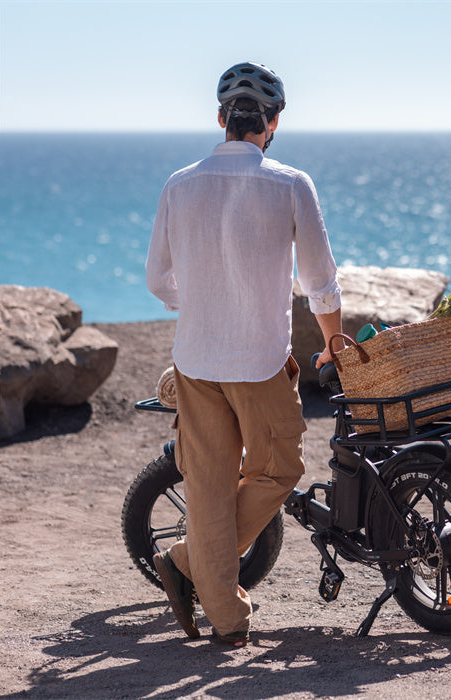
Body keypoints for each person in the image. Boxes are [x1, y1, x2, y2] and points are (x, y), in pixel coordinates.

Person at [145, 61, 343, 647]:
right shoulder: (290, 184)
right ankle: (194, 572)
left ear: (220, 120)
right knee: (279, 468)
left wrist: (206, 301)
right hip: (260, 361)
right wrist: (334, 343)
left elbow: (159, 281)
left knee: (206, 485)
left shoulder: (179, 184)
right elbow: (321, 284)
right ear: (273, 123)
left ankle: (212, 597)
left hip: (197, 359)